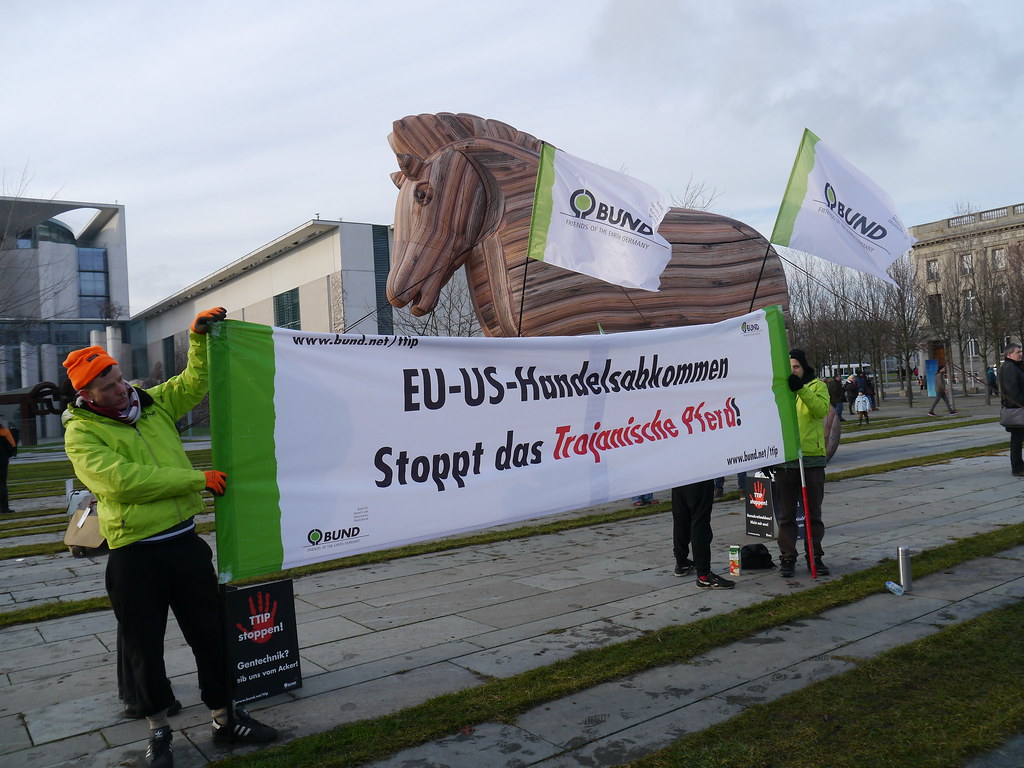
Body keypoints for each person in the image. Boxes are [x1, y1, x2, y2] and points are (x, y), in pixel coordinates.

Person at [61, 307, 277, 768]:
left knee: (211, 634)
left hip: (184, 545)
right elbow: (121, 481)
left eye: (119, 379)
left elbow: (193, 383)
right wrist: (196, 480)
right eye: (108, 387)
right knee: (144, 648)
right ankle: (158, 730)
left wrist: (198, 339)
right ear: (86, 395)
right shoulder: (81, 434)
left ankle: (225, 718)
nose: (121, 390)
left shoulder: (150, 403)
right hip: (135, 555)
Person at [772, 349, 831, 578]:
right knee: (786, 514)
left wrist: (801, 389)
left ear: (804, 367)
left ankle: (815, 555)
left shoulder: (817, 386)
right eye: (789, 367)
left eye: (796, 366)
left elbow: (820, 410)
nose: (793, 371)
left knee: (813, 513)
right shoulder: (779, 389)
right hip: (786, 460)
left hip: (811, 458)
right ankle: (787, 557)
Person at [671, 479, 734, 588]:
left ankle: (681, 562)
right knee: (700, 521)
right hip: (698, 477)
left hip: (678, 478)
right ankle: (703, 575)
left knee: (681, 519)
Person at [997, 343, 1024, 477]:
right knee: (1017, 440)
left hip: (1017, 409)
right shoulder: (1009, 368)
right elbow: (1013, 391)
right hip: (1016, 410)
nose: (1021, 354)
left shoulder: (1014, 366)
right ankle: (1017, 467)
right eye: (1018, 352)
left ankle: (1018, 466)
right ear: (1009, 354)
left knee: (1017, 440)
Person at [0, 415, 16, 514]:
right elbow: (12, 446)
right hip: (2, 461)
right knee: (2, 484)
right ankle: (4, 507)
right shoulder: (4, 431)